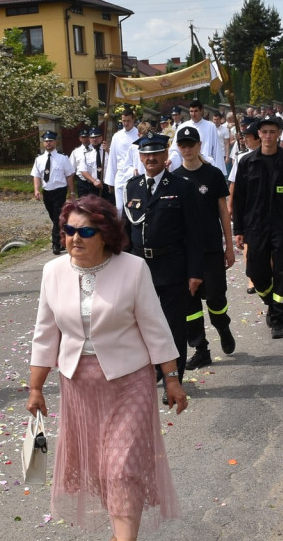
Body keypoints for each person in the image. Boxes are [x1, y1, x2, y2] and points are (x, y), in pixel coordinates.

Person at [28, 196, 183, 539]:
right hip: (80, 385)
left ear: (106, 235)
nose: (74, 238)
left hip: (129, 383)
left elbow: (154, 326)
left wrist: (171, 379)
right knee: (100, 469)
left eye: (85, 231)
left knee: (122, 468)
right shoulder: (52, 272)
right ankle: (120, 530)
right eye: (69, 230)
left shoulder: (132, 268)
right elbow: (45, 333)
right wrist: (36, 387)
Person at [123, 132, 203, 394]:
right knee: (141, 326)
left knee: (172, 327)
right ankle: (153, 372)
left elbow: (194, 232)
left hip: (171, 268)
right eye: (146, 154)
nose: (151, 159)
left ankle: (174, 381)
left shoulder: (182, 187)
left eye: (156, 153)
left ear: (166, 156)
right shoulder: (131, 186)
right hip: (139, 269)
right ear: (140, 157)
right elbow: (125, 232)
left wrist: (194, 272)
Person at [231, 115, 283, 339]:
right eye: (264, 132)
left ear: (279, 134)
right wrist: (239, 230)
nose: (267, 136)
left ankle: (278, 319)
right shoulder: (247, 162)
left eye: (272, 132)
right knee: (255, 271)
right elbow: (239, 199)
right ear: (258, 134)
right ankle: (271, 302)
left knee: (282, 272)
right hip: (255, 227)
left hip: (282, 226)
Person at [171, 126, 237, 367]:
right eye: (183, 145)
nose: (187, 149)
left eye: (191, 144)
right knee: (190, 305)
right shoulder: (174, 177)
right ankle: (201, 348)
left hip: (210, 248)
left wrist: (229, 247)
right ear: (178, 148)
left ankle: (223, 327)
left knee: (216, 298)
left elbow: (223, 212)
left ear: (199, 145)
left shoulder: (213, 174)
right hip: (185, 252)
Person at [31, 131, 76, 255]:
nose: (48, 143)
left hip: (60, 191)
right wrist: (36, 190)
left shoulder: (63, 158)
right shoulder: (39, 159)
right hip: (47, 192)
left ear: (55, 142)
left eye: (50, 141)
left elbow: (69, 176)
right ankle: (65, 237)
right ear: (43, 143)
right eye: (46, 141)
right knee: (54, 217)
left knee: (57, 217)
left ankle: (56, 244)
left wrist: (72, 192)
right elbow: (36, 176)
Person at [105, 107, 139, 213]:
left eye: (128, 121)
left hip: (134, 175)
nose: (125, 123)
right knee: (119, 208)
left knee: (133, 206)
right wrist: (110, 180)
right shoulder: (117, 136)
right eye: (123, 121)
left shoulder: (138, 135)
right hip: (120, 176)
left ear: (133, 119)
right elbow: (112, 158)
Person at [82, 127, 108, 199]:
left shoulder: (108, 151)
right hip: (93, 186)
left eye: (97, 137)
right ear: (89, 139)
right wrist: (94, 181)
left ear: (101, 137)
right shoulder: (86, 153)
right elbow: (83, 171)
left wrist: (108, 151)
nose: (94, 139)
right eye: (92, 137)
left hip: (107, 186)